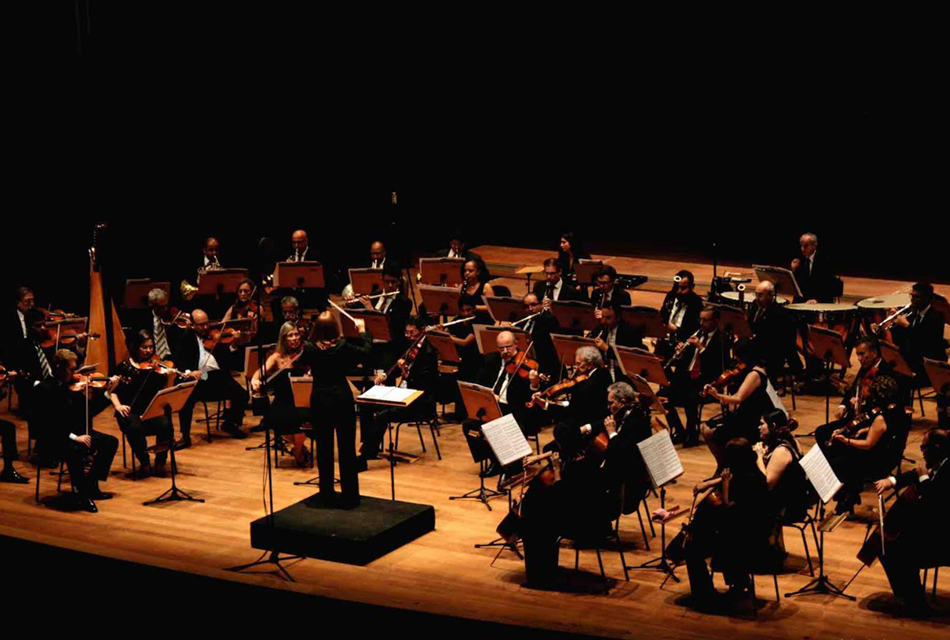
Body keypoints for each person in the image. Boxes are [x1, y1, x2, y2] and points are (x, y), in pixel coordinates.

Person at [519, 381, 651, 589]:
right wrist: (586, 428)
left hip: (611, 492)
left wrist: (612, 433)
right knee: (565, 476)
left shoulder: (638, 422)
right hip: (606, 479)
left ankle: (541, 561)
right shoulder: (625, 413)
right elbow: (604, 422)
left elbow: (621, 452)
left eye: (611, 403)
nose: (608, 407)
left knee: (545, 507)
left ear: (622, 402)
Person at [683, 437, 770, 610]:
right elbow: (735, 476)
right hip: (757, 531)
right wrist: (710, 482)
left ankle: (704, 596)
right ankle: (739, 581)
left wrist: (725, 484)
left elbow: (729, 510)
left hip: (745, 539)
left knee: (691, 548)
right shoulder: (753, 473)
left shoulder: (746, 483)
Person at [872, 428, 950, 615]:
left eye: (924, 447)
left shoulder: (948, 470)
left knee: (893, 548)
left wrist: (923, 478)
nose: (922, 451)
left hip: (945, 539)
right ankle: (909, 596)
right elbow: (918, 473)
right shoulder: (943, 461)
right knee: (888, 543)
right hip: (938, 528)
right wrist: (891, 481)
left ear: (937, 447)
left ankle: (915, 603)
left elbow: (933, 502)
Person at [298, 312, 371, 508]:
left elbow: (299, 359)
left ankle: (326, 494)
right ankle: (350, 496)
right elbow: (367, 352)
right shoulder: (343, 347)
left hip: (320, 399)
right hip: (341, 398)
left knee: (324, 448)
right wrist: (362, 330)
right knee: (346, 448)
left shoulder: (310, 348)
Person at [33, 350, 120, 512]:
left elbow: (89, 412)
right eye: (72, 370)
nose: (76, 374)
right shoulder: (44, 389)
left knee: (110, 442)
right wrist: (74, 437)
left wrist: (106, 393)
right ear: (59, 367)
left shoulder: (72, 387)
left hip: (77, 433)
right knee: (74, 450)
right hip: (54, 439)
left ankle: (91, 485)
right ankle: (83, 495)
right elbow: (46, 425)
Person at [357, 318, 438, 469]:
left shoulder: (428, 352)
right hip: (402, 392)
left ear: (422, 330)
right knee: (365, 404)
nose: (409, 335)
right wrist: (385, 376)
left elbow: (424, 383)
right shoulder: (409, 346)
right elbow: (395, 367)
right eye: (406, 332)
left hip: (418, 401)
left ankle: (365, 455)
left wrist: (405, 371)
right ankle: (369, 445)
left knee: (382, 416)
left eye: (412, 332)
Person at [823, 375, 909, 514]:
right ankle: (849, 494)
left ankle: (848, 495)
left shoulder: (880, 418)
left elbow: (868, 444)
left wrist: (847, 441)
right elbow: (886, 429)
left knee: (838, 462)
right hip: (892, 454)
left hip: (880, 463)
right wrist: (866, 429)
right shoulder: (898, 409)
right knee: (849, 457)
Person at [702, 338, 787, 467]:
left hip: (750, 419)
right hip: (746, 413)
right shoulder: (751, 369)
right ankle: (725, 466)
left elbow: (738, 398)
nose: (736, 360)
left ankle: (724, 466)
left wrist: (717, 395)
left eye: (738, 356)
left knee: (710, 432)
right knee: (709, 429)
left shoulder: (754, 374)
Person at [172, 309, 249, 447]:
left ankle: (230, 423)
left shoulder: (216, 337)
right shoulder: (186, 338)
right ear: (193, 325)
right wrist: (190, 372)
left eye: (207, 323)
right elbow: (179, 361)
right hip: (198, 380)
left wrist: (234, 344)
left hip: (217, 377)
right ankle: (185, 436)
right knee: (186, 398)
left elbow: (228, 361)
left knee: (243, 394)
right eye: (201, 325)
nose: (206, 328)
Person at [108, 330, 175, 478]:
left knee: (166, 425)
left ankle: (160, 462)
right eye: (144, 347)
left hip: (151, 411)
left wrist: (170, 378)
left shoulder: (156, 367)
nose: (149, 350)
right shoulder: (124, 367)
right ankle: (144, 461)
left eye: (151, 347)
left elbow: (166, 392)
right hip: (130, 412)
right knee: (133, 427)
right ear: (134, 347)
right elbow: (113, 391)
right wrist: (118, 406)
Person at [662, 307, 726, 447]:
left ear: (715, 321)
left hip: (707, 381)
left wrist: (700, 347)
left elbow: (714, 365)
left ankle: (692, 434)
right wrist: (679, 352)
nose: (701, 323)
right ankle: (679, 430)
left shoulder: (722, 339)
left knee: (690, 398)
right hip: (688, 376)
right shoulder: (697, 334)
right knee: (664, 397)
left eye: (705, 320)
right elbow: (686, 361)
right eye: (700, 319)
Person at [250, 322, 312, 467]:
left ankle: (297, 450)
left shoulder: (305, 353)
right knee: (279, 422)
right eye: (290, 335)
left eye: (296, 334)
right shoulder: (277, 357)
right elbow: (259, 373)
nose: (295, 338)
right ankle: (299, 448)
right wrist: (255, 380)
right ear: (283, 339)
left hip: (301, 400)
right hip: (283, 401)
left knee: (302, 422)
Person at [754, 409, 811, 523]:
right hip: (789, 500)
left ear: (773, 426)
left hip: (787, 509)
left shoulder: (781, 451)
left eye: (762, 424)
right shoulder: (792, 440)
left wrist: (759, 456)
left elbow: (768, 485)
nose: (758, 427)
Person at [886, 282, 948, 385]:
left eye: (916, 297)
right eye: (912, 296)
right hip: (913, 358)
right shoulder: (913, 312)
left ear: (927, 298)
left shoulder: (936, 318)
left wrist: (906, 325)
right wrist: (893, 323)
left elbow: (924, 344)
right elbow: (900, 339)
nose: (912, 300)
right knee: (886, 365)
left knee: (899, 378)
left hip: (926, 365)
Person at [748, 280, 800, 383]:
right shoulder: (755, 305)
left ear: (772, 296)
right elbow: (750, 325)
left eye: (761, 295)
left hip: (771, 352)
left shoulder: (781, 315)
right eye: (756, 294)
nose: (757, 298)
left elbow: (781, 342)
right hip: (757, 346)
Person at [589, 305, 644, 383]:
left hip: (624, 376)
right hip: (605, 373)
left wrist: (606, 349)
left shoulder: (630, 332)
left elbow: (629, 359)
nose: (604, 321)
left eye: (608, 318)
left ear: (618, 318)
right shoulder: (601, 329)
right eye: (602, 317)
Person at [657, 270, 703, 359]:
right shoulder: (671, 295)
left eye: (683, 288)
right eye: (676, 287)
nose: (678, 291)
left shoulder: (697, 303)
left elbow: (696, 330)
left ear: (692, 287)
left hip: (683, 343)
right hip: (666, 339)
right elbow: (662, 315)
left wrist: (675, 329)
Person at [520, 293, 560, 380]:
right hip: (529, 361)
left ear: (541, 304)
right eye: (527, 306)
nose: (530, 309)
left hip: (546, 363)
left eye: (533, 305)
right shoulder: (524, 320)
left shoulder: (549, 319)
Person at [790, 233, 838, 303]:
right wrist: (794, 270)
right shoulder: (800, 260)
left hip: (820, 299)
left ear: (814, 245)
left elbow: (828, 285)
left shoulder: (825, 261)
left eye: (806, 246)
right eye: (801, 245)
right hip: (805, 298)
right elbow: (798, 286)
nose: (802, 249)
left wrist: (817, 299)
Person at [459, 257, 495, 324]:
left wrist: (475, 307)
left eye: (470, 271)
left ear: (478, 272)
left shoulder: (485, 287)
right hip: (465, 318)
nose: (467, 273)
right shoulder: (462, 287)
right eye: (465, 271)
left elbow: (492, 308)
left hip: (481, 319)